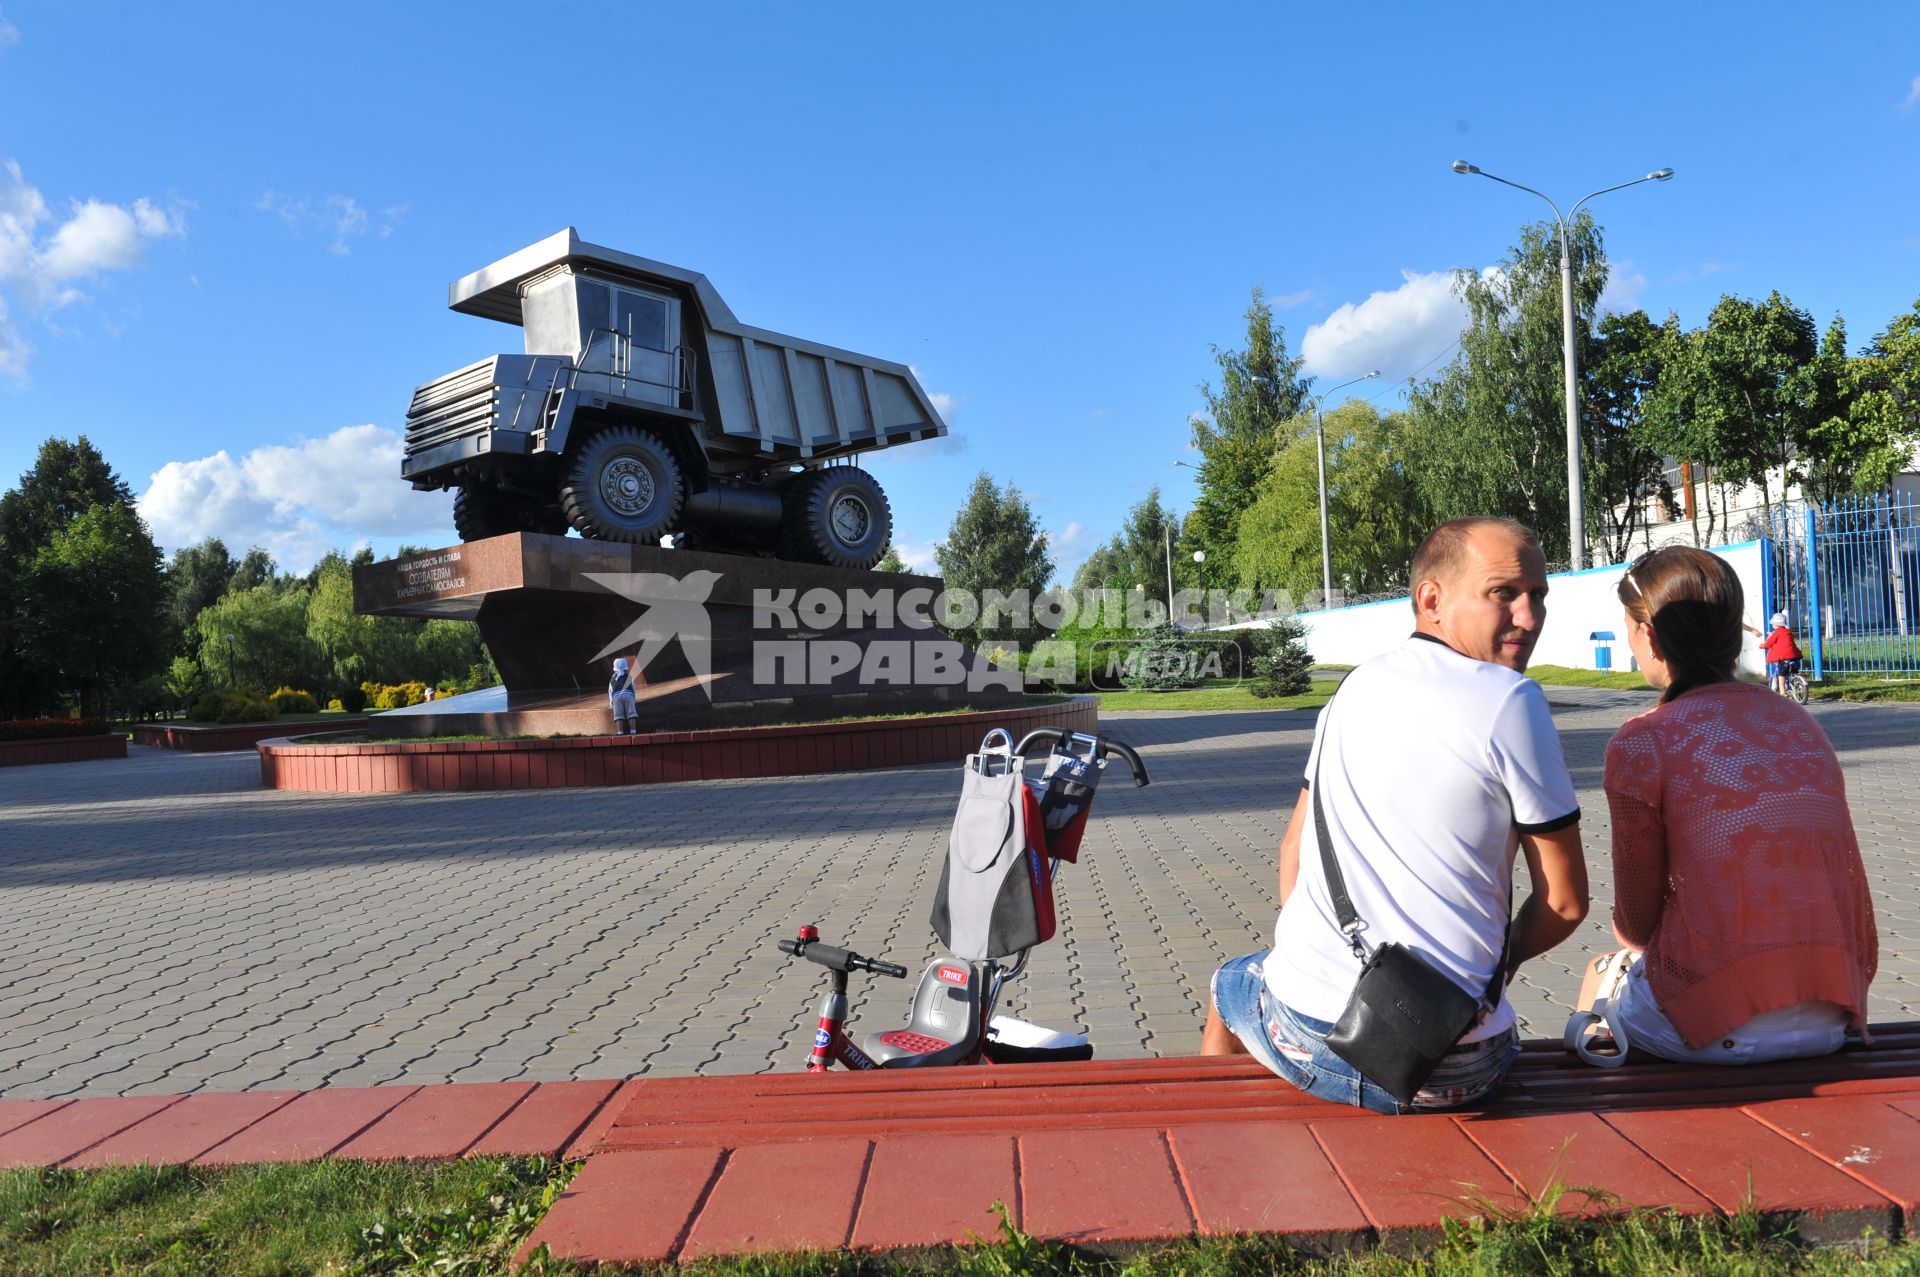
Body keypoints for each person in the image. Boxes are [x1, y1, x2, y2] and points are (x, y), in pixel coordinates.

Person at [1202, 516, 1589, 1113]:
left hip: (1319, 1041)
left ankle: (1209, 1155)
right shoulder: (1513, 702)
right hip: (1465, 1066)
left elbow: (1293, 851)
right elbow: (1564, 904)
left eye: (1537, 595)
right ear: (1430, 600)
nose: (1529, 617)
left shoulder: (1350, 690)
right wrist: (1485, 979)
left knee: (1231, 983)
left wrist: (1320, 962)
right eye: (1503, 593)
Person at [1568, 546, 1877, 1067]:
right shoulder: (1797, 721)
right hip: (1833, 1012)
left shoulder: (1644, 741)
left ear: (1649, 635)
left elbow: (1638, 925)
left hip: (1714, 1030)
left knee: (1603, 969)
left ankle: (1609, 1123)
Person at [1743, 611, 1803, 696]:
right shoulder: (1788, 632)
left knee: (1781, 675)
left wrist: (1762, 646)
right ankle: (1798, 685)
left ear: (1775, 625)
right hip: (1795, 657)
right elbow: (1782, 639)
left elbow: (1769, 643)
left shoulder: (1776, 633)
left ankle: (1782, 692)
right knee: (1792, 672)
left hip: (1784, 659)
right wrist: (1772, 635)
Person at [608, 656, 638, 736]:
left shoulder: (612, 679)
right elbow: (633, 688)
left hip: (616, 697)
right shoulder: (629, 677)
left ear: (615, 668)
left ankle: (620, 733)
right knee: (631, 714)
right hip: (628, 695)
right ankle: (633, 731)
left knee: (618, 716)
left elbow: (610, 692)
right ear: (626, 668)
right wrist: (634, 699)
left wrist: (611, 704)